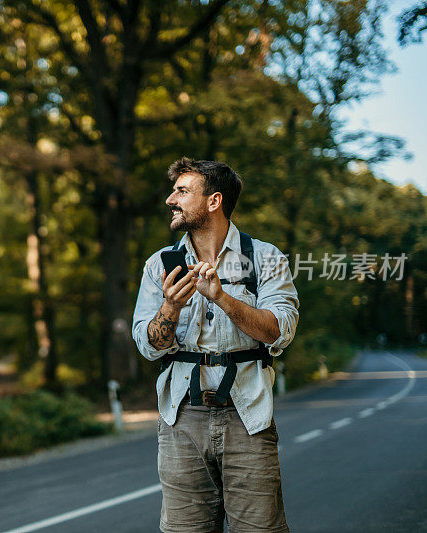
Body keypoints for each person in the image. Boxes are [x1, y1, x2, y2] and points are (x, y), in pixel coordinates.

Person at [131, 157, 299, 532]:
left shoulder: (265, 257)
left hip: (248, 416)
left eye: (182, 191)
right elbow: (148, 345)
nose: (170, 200)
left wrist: (222, 297)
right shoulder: (159, 265)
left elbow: (280, 331)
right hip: (181, 419)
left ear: (213, 201)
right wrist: (171, 305)